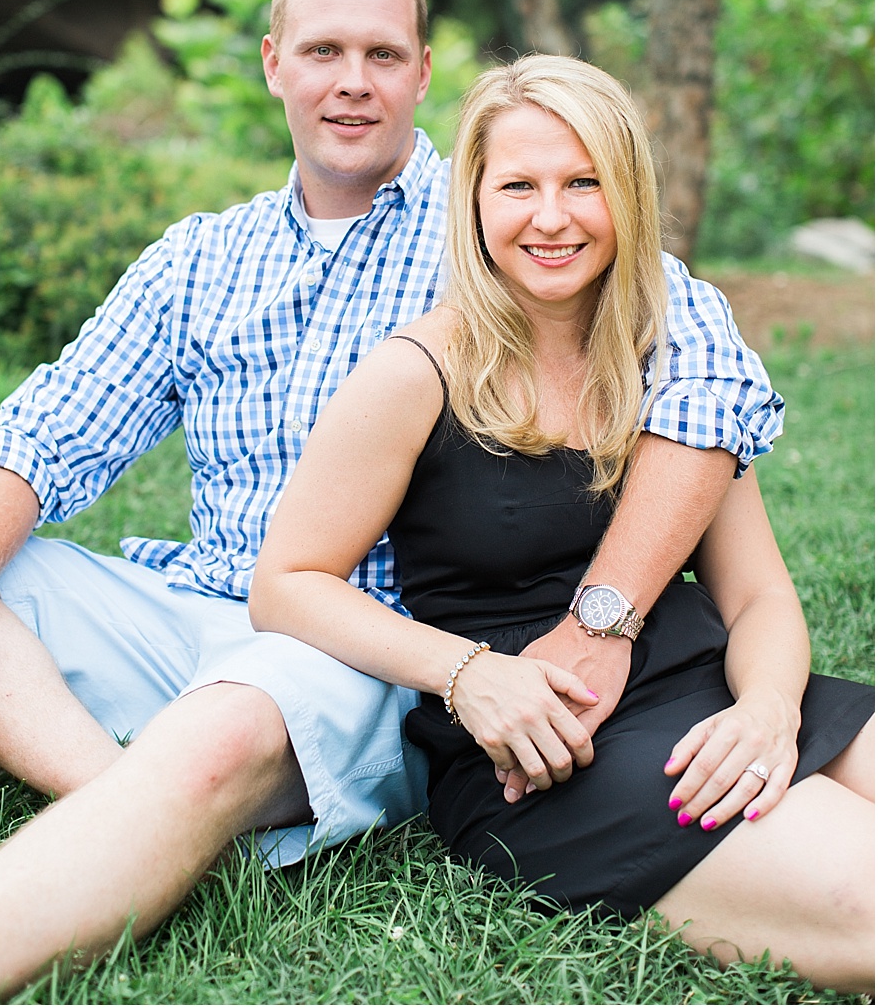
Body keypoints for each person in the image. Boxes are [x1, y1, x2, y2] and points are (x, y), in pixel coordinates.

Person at [0, 0, 780, 1005]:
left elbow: (691, 344)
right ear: (274, 64)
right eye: (322, 51)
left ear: (422, 72)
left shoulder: (500, 217)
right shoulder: (200, 258)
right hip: (195, 601)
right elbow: (35, 438)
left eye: (381, 53)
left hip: (370, 652)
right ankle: (129, 808)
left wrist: (599, 620)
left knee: (225, 726)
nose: (351, 79)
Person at [250, 54, 874, 995]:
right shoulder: (416, 372)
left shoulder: (675, 367)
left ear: (627, 194)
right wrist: (468, 674)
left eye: (584, 182)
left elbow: (759, 598)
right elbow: (286, 583)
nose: (552, 216)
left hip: (714, 693)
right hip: (549, 757)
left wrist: (768, 712)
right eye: (519, 185)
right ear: (474, 204)